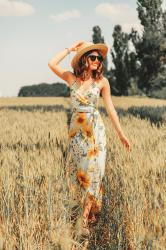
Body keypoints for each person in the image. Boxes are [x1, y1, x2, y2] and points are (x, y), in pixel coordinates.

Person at [48, 41, 131, 239]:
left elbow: (110, 109)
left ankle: (84, 220)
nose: (96, 61)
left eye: (99, 58)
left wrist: (121, 134)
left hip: (96, 133)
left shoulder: (102, 82)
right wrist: (69, 49)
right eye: (92, 57)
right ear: (84, 59)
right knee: (81, 175)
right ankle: (85, 213)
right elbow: (51, 63)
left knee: (95, 173)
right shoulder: (72, 79)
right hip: (77, 133)